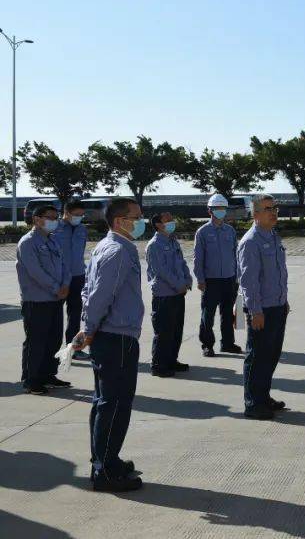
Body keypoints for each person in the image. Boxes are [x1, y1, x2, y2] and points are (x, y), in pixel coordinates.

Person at [72, 198, 146, 492]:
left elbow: (88, 292)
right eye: (136, 217)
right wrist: (87, 330)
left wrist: (87, 328)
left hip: (112, 336)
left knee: (106, 402)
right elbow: (100, 296)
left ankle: (106, 459)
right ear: (119, 221)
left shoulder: (107, 246)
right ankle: (103, 470)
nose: (141, 221)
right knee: (114, 404)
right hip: (115, 338)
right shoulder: (117, 250)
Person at [238, 194, 290, 420]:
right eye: (268, 208)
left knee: (271, 355)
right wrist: (255, 311)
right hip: (262, 310)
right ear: (255, 214)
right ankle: (252, 403)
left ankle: (263, 396)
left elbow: (278, 274)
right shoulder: (250, 242)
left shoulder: (273, 236)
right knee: (257, 356)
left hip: (277, 306)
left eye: (275, 208)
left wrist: (284, 300)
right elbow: (248, 281)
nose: (273, 212)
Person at [17, 204, 70, 394]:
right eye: (50, 217)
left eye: (56, 217)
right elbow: (35, 272)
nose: (54, 221)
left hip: (56, 299)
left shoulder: (53, 241)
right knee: (36, 342)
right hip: (37, 300)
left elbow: (65, 265)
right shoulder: (28, 242)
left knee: (53, 340)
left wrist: (65, 285)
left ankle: (48, 375)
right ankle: (32, 380)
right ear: (37, 219)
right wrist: (56, 288)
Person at [194, 193, 242, 357]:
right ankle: (207, 345)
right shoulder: (202, 232)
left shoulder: (230, 231)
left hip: (229, 279)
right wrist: (200, 279)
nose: (220, 211)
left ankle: (228, 343)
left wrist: (238, 277)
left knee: (228, 314)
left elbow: (236, 256)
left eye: (223, 208)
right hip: (210, 280)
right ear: (210, 210)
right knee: (208, 315)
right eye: (216, 208)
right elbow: (198, 258)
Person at [145, 212, 192, 377]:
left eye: (173, 219)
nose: (172, 222)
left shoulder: (173, 242)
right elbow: (161, 271)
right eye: (168, 220)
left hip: (178, 293)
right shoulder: (154, 245)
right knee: (164, 331)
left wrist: (187, 280)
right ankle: (158, 365)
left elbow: (182, 263)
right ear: (158, 224)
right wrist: (179, 285)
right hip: (164, 294)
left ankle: (171, 360)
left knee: (176, 330)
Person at [53, 199, 89, 360]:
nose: (79, 218)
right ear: (66, 213)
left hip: (78, 276)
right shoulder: (55, 228)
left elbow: (80, 251)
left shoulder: (82, 229)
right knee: (54, 316)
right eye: (76, 215)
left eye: (82, 215)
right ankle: (52, 349)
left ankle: (73, 348)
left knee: (75, 315)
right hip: (58, 278)